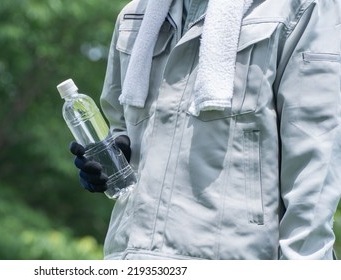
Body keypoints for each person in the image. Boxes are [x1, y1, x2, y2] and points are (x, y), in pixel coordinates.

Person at [69, 0, 341, 259]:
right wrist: (116, 157)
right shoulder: (135, 16)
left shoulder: (304, 7)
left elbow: (315, 161)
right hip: (128, 256)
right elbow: (123, 123)